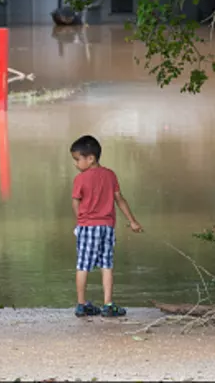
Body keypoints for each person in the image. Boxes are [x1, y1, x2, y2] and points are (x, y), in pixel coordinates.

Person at [70, 135, 142, 317]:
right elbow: (120, 199)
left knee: (83, 265)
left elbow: (75, 202)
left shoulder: (81, 179)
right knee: (107, 265)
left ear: (91, 158)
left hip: (87, 227)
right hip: (107, 227)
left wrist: (80, 221)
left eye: (77, 159)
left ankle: (81, 304)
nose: (76, 164)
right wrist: (132, 221)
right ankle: (108, 304)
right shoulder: (110, 175)